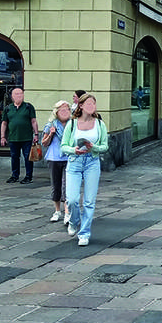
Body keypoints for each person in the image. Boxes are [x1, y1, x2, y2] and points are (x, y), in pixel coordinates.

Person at [60, 93, 109, 247]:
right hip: (74, 162)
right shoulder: (72, 124)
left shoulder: (100, 124)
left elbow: (105, 146)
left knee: (89, 201)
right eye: (87, 104)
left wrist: (93, 147)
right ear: (80, 106)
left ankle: (84, 233)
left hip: (92, 162)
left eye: (93, 104)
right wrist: (74, 150)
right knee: (72, 199)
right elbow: (63, 146)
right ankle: (74, 221)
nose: (91, 106)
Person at [0, 87, 39, 184]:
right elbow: (4, 123)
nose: (19, 96)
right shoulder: (8, 108)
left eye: (20, 94)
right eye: (16, 94)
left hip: (26, 137)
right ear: (12, 97)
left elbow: (33, 121)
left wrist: (36, 134)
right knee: (14, 157)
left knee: (27, 157)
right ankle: (14, 175)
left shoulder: (28, 107)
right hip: (13, 137)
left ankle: (28, 176)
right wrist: (2, 137)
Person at [42, 100, 72, 223]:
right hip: (54, 157)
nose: (65, 112)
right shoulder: (51, 125)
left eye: (67, 109)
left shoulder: (73, 124)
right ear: (56, 112)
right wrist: (51, 135)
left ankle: (67, 212)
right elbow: (44, 143)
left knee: (66, 185)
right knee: (56, 184)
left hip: (69, 157)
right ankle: (57, 210)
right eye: (62, 110)